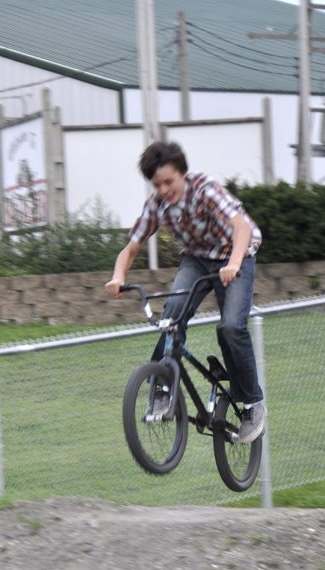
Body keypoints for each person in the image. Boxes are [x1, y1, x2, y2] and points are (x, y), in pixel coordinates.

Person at [104, 141, 267, 444]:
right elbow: (131, 248)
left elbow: (242, 228)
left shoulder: (205, 190)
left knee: (231, 327)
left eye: (169, 182)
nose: (164, 190)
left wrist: (233, 263)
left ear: (183, 173)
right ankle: (162, 386)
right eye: (157, 185)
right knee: (172, 315)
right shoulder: (157, 205)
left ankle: (252, 404)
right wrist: (118, 276)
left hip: (236, 253)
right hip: (197, 259)